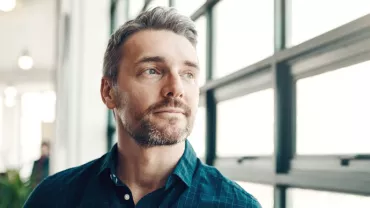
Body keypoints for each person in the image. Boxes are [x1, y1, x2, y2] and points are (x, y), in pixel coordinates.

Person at [24, 7, 262, 208]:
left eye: (188, 74)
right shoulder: (53, 198)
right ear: (109, 92)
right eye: (152, 71)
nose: (176, 88)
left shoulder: (236, 204)